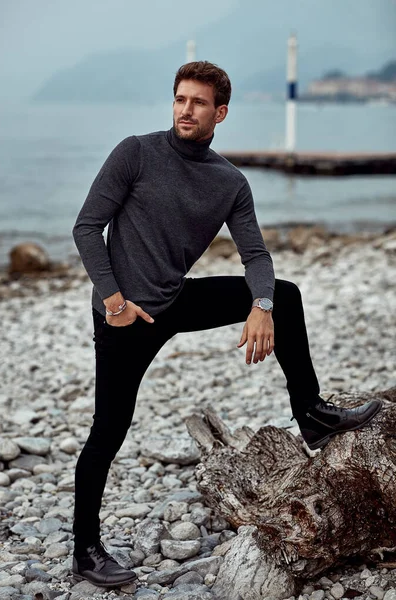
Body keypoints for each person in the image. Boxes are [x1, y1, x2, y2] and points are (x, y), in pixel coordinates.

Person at [71, 61, 382, 587]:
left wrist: (261, 304)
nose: (185, 109)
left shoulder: (228, 181)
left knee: (286, 295)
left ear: (221, 112)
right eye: (179, 99)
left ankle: (310, 412)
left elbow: (255, 254)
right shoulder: (136, 153)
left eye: (197, 102)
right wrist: (114, 301)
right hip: (126, 315)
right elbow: (86, 228)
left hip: (175, 299)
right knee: (108, 431)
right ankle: (85, 549)